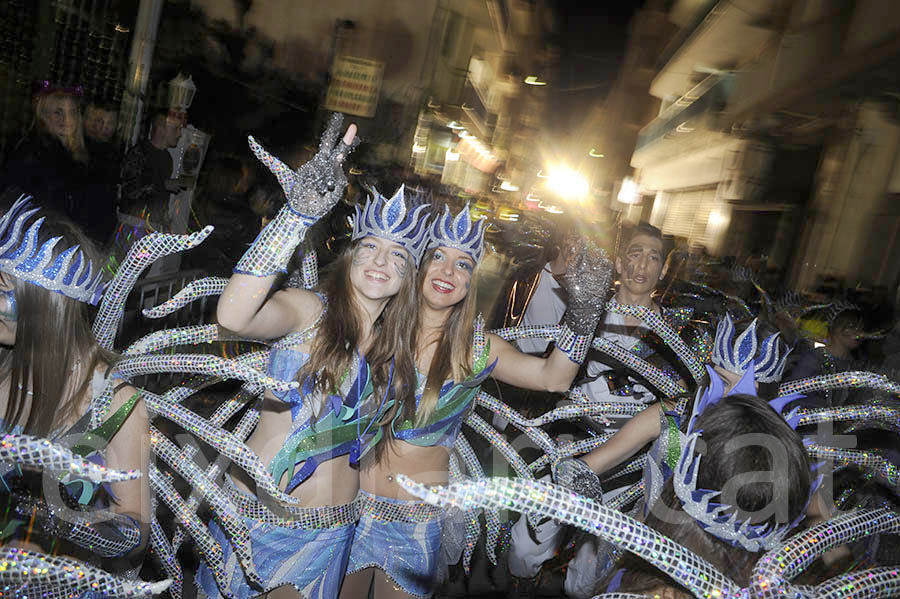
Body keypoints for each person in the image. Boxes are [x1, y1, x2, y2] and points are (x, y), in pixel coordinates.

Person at [195, 114, 426, 599]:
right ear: (349, 256)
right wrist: (293, 217)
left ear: (408, 278)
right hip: (260, 524)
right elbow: (235, 315)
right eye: (370, 248)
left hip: (335, 532)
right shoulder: (310, 312)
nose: (382, 262)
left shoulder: (395, 351)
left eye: (398, 256)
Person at [340, 202, 613, 599]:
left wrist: (585, 311)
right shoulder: (376, 328)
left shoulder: (473, 348)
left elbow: (553, 378)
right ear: (418, 266)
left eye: (463, 264)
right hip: (351, 507)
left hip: (415, 524)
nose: (448, 272)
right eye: (438, 257)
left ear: (471, 281)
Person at [0, 195, 150, 580]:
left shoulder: (113, 401)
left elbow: (135, 531)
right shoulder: (7, 363)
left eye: (2, 289)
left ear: (44, 305)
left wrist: (58, 523)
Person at [1, 83, 117, 245]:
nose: (66, 119)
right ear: (43, 115)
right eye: (58, 112)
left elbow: (99, 211)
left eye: (72, 112)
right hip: (38, 249)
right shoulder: (29, 153)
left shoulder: (91, 157)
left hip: (77, 249)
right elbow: (15, 203)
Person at [119, 110, 183, 233]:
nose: (179, 134)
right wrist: (163, 184)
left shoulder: (167, 158)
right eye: (175, 129)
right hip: (131, 225)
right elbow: (129, 189)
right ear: (161, 129)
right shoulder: (139, 152)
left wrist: (165, 221)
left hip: (153, 227)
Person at [785, 310, 864, 408]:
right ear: (837, 329)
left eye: (860, 328)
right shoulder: (814, 360)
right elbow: (795, 396)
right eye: (852, 327)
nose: (859, 333)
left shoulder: (853, 364)